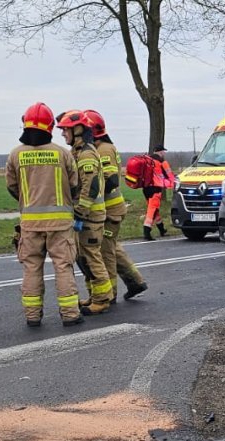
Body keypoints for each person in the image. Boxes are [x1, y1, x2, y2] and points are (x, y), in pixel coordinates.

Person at [6, 103, 83, 327]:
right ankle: (70, 315)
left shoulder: (15, 154)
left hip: (29, 225)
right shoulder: (62, 153)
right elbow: (75, 184)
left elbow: (12, 186)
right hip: (61, 224)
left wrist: (29, 203)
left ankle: (32, 316)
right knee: (63, 266)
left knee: (31, 268)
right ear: (49, 126)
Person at [85, 110, 147, 302]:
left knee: (106, 251)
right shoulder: (101, 147)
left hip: (110, 211)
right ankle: (135, 282)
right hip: (111, 209)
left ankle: (109, 294)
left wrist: (88, 191)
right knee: (113, 248)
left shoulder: (103, 149)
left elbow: (111, 179)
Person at [56, 109, 113, 315]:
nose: (63, 134)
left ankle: (102, 300)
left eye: (65, 130)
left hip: (90, 216)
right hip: (86, 215)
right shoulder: (79, 152)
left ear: (78, 130)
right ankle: (94, 295)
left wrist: (80, 212)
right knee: (84, 258)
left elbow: (91, 185)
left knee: (92, 258)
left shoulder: (87, 154)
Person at [142, 145, 174, 240]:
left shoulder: (147, 160)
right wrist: (173, 185)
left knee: (155, 209)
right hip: (155, 188)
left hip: (145, 188)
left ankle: (162, 229)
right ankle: (146, 231)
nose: (164, 153)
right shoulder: (161, 162)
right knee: (152, 209)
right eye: (163, 152)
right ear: (160, 152)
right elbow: (169, 175)